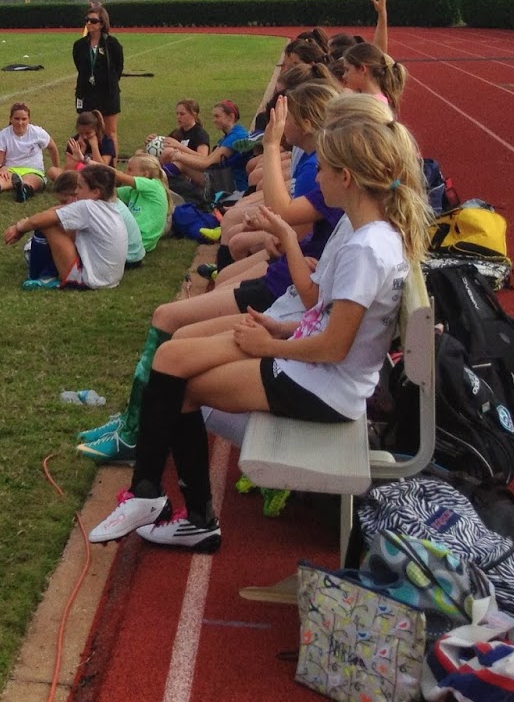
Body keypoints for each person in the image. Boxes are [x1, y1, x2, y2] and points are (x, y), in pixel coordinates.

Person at [86, 98, 430, 551]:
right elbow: (323, 310)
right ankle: (154, 496)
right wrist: (283, 323)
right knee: (171, 361)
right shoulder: (364, 230)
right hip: (314, 364)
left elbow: (335, 347)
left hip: (325, 386)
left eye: (324, 170)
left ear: (346, 178)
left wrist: (270, 345)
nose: (315, 178)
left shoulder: (367, 247)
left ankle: (174, 507)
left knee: (179, 379)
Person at [3, 164, 130, 290]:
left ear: (95, 192)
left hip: (89, 281)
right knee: (65, 226)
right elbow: (57, 211)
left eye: (80, 187)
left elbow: (39, 221)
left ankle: (43, 277)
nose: (76, 191)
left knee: (47, 225)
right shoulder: (111, 206)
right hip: (110, 280)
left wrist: (19, 229)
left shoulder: (87, 206)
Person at [0, 102, 60, 201]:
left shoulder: (38, 133)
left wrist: (57, 168)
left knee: (31, 181)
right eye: (17, 119)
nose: (20, 122)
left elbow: (52, 148)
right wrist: (2, 168)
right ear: (11, 119)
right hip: (11, 170)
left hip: (34, 171)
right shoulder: (3, 135)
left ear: (29, 119)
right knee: (1, 181)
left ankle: (22, 191)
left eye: (24, 119)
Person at [162, 100, 248, 198]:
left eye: (217, 116)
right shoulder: (228, 136)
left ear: (231, 117)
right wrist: (179, 155)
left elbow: (206, 164)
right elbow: (207, 159)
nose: (214, 120)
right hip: (221, 179)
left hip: (230, 185)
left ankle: (161, 183)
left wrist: (179, 155)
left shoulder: (236, 136)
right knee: (179, 162)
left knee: (180, 164)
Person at [72, 2, 125, 144]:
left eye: (93, 21)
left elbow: (118, 67)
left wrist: (108, 81)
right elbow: (79, 66)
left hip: (107, 93)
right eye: (87, 20)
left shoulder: (112, 44)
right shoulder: (79, 45)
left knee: (110, 133)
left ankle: (111, 159)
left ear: (102, 24)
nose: (89, 23)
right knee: (86, 131)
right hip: (86, 92)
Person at [113, 154, 169, 254]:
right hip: (139, 241)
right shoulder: (134, 191)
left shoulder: (154, 186)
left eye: (130, 170)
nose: (126, 172)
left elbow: (118, 175)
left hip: (137, 240)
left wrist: (87, 161)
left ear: (145, 174)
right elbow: (110, 193)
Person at [337, 41, 406, 113]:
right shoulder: (369, 101)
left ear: (362, 69)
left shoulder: (369, 106)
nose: (344, 76)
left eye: (347, 70)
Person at [57, 110, 115, 176]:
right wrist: (81, 150)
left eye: (88, 133)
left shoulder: (106, 141)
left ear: (96, 130)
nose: (84, 137)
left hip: (101, 176)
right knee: (53, 171)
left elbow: (102, 168)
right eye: (81, 133)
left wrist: (94, 147)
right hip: (80, 174)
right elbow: (68, 169)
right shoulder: (74, 141)